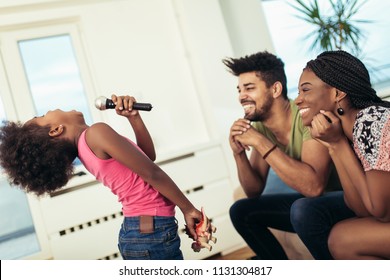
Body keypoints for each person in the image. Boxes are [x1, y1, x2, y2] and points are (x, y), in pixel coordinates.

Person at [0, 94, 203, 260]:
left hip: (142, 232)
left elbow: (146, 159)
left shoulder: (86, 148)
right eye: (43, 115)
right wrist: (188, 208)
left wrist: (134, 118)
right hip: (150, 231)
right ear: (55, 130)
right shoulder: (96, 133)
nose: (51, 109)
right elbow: (152, 172)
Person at [222, 51, 341, 259]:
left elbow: (314, 188)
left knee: (302, 208)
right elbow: (253, 191)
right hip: (310, 204)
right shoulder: (261, 127)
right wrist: (238, 154)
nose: (242, 96)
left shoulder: (307, 115)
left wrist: (259, 142)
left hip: (341, 198)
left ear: (275, 89)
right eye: (239, 89)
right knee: (241, 210)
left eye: (249, 88)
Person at [292, 50, 390, 259]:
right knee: (340, 237)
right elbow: (361, 210)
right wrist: (334, 146)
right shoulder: (349, 131)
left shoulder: (371, 122)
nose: (297, 100)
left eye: (305, 90)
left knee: (342, 239)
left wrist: (338, 145)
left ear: (337, 94)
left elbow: (381, 213)